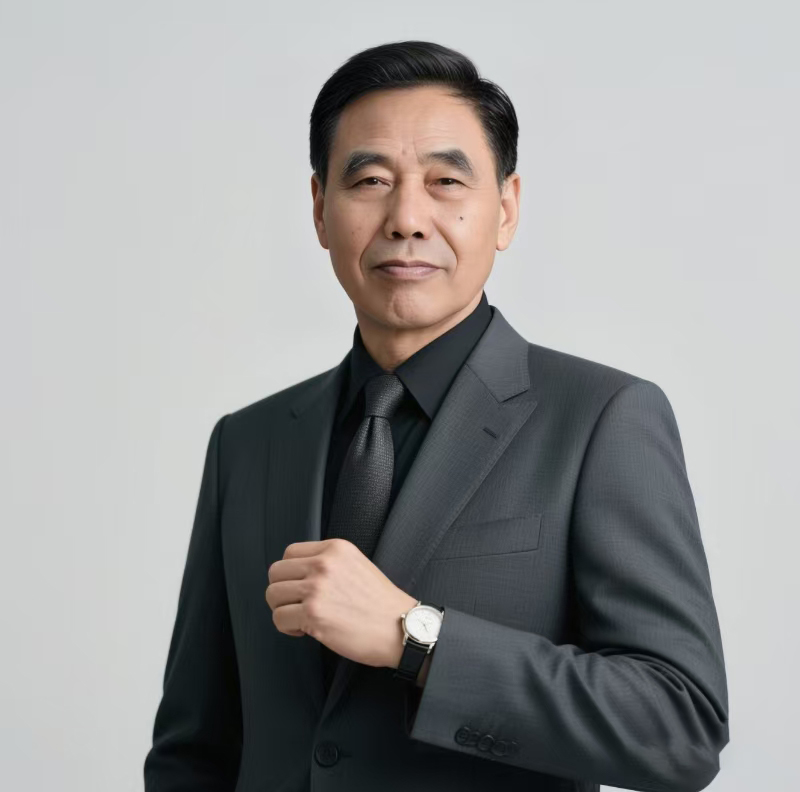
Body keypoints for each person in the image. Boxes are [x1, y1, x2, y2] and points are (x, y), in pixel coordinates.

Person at [143, 40, 729, 792]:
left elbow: (679, 728)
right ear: (319, 208)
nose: (407, 218)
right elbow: (195, 750)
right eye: (371, 181)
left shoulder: (602, 419)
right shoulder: (247, 442)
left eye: (446, 180)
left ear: (505, 210)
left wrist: (416, 638)